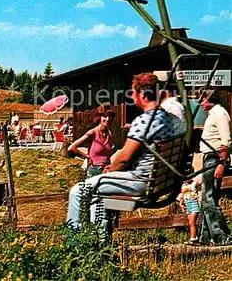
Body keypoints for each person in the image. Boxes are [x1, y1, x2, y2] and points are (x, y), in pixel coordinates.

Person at [67, 73, 175, 230]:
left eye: (133, 92)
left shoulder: (145, 120)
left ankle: (75, 243)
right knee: (99, 200)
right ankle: (100, 242)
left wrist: (108, 171)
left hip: (140, 181)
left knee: (77, 191)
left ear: (142, 94)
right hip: (157, 179)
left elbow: (124, 157)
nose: (132, 95)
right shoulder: (166, 118)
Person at [196, 87, 231, 245]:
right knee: (207, 198)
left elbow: (226, 141)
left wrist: (221, 164)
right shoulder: (212, 114)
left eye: (202, 98)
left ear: (210, 98)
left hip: (215, 157)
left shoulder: (220, 114)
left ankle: (222, 236)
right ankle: (205, 236)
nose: (199, 102)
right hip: (209, 157)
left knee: (209, 199)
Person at [68, 103, 116, 178]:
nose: (108, 119)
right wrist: (87, 157)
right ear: (99, 117)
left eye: (110, 117)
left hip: (107, 171)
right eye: (105, 116)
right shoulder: (93, 133)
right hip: (94, 170)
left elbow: (112, 150)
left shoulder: (110, 133)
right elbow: (71, 148)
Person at [178, 175, 201, 245]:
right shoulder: (183, 185)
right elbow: (182, 195)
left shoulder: (194, 183)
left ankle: (193, 238)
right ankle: (194, 237)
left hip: (194, 203)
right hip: (188, 204)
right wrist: (181, 204)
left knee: (192, 222)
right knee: (191, 223)